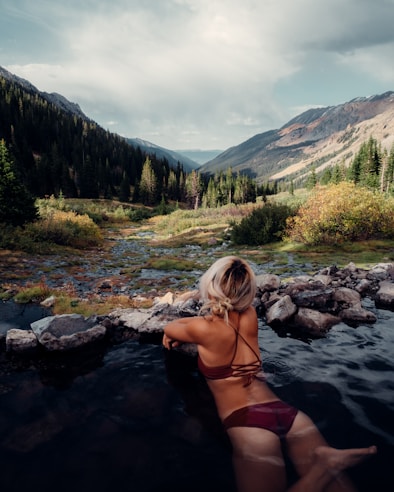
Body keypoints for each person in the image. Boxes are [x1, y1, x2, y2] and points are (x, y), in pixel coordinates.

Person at [162, 255, 377, 492]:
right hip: (289, 415)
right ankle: (327, 463)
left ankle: (323, 469)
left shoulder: (202, 328)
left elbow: (171, 327)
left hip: (247, 424)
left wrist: (196, 319)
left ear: (210, 287)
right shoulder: (250, 315)